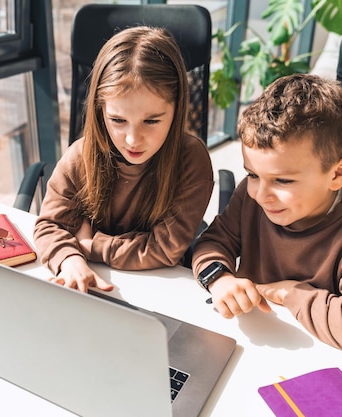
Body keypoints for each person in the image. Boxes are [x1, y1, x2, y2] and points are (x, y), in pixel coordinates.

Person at [192, 74, 342, 361]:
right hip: (251, 342)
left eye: (283, 181)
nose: (261, 194)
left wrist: (290, 293)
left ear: (338, 174)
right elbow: (213, 242)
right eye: (253, 174)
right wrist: (219, 278)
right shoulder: (252, 196)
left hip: (315, 358)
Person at [34, 26, 214, 293]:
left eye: (151, 121)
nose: (132, 140)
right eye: (117, 120)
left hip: (162, 289)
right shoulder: (80, 155)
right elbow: (49, 225)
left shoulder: (191, 159)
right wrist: (70, 260)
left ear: (177, 110)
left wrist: (89, 245)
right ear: (100, 110)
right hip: (94, 287)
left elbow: (164, 249)